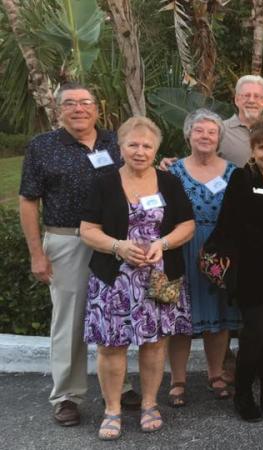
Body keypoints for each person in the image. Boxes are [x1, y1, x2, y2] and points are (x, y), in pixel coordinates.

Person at [18, 83, 140, 427]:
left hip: (113, 242)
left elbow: (141, 171)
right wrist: (36, 253)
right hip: (67, 240)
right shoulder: (43, 147)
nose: (79, 109)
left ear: (97, 109)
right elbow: (28, 200)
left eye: (86, 102)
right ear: (59, 111)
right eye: (70, 103)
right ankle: (67, 396)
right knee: (69, 321)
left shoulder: (115, 142)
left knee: (115, 316)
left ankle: (120, 385)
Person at [80, 116, 195, 439]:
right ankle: (112, 409)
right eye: (133, 144)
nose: (140, 151)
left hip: (160, 276)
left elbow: (187, 224)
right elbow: (87, 230)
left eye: (147, 145)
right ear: (121, 148)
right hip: (114, 278)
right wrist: (118, 246)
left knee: (156, 344)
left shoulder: (169, 183)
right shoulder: (104, 183)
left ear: (156, 149)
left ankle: (149, 404)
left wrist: (163, 243)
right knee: (111, 346)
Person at [212, 119, 263, 421]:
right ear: (253, 149)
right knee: (254, 334)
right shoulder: (242, 179)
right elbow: (240, 224)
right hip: (252, 271)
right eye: (262, 147)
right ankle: (243, 395)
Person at [166, 110, 240, 406]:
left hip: (219, 250)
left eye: (211, 131)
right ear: (189, 135)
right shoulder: (173, 171)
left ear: (219, 137)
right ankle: (178, 380)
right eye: (199, 131)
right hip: (182, 246)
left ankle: (216, 374)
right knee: (181, 318)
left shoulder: (234, 172)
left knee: (219, 317)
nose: (205, 136)